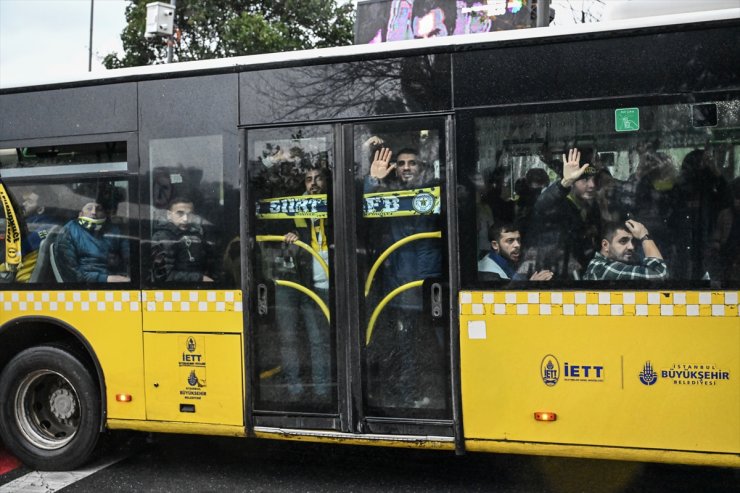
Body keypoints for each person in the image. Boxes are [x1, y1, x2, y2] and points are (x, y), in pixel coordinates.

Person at [365, 145, 443, 408]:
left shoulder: (436, 189)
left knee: (434, 344)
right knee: (406, 345)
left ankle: (442, 392)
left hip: (431, 285)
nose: (406, 167)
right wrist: (374, 179)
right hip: (400, 283)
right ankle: (409, 395)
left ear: (422, 167)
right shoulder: (390, 194)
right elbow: (369, 207)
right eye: (401, 163)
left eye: (412, 163)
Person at [280, 166, 333, 400]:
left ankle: (323, 390)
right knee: (302, 338)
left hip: (328, 283)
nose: (313, 184)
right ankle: (302, 390)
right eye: (308, 179)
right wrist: (290, 234)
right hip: (302, 283)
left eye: (318, 178)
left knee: (321, 340)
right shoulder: (294, 208)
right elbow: (275, 232)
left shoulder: (335, 205)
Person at [530, 147, 602, 279]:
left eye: (594, 180)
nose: (592, 185)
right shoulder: (559, 205)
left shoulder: (593, 207)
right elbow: (541, 205)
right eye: (585, 180)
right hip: (558, 274)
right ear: (573, 183)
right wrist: (565, 182)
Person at [55, 201, 130, 283]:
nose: (94, 212)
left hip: (115, 277)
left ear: (104, 214)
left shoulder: (113, 230)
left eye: (99, 209)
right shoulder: (69, 231)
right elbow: (70, 272)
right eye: (89, 208)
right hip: (88, 284)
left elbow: (128, 257)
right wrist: (105, 279)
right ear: (80, 214)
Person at [151, 197, 215, 283]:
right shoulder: (162, 237)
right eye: (180, 213)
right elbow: (163, 276)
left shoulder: (197, 234)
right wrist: (200, 278)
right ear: (169, 215)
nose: (185, 219)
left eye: (190, 214)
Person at [0, 190, 58, 282]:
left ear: (40, 209)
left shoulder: (45, 227)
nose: (23, 204)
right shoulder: (31, 223)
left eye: (29, 202)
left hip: (21, 281)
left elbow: (18, 248)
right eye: (24, 201)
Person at [584, 219, 668, 281]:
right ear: (605, 245)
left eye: (633, 241)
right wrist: (644, 235)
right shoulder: (602, 268)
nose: (631, 247)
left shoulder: (604, 263)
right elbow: (660, 275)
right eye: (623, 241)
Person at [478, 223, 553, 281]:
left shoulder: (507, 260)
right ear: (495, 245)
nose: (517, 245)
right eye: (510, 241)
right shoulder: (488, 273)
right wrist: (531, 285)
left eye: (518, 240)